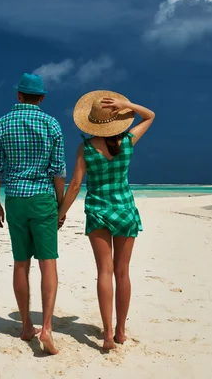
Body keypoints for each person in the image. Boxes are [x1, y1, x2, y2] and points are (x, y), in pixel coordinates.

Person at [57, 90, 155, 350]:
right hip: (125, 210)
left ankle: (108, 334)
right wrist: (127, 104)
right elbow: (150, 116)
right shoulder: (128, 141)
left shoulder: (87, 148)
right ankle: (122, 331)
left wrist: (61, 213)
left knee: (104, 271)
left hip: (99, 211)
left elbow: (76, 185)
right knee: (122, 273)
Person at [0, 73, 66, 355]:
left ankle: (25, 326)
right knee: (48, 262)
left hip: (16, 199)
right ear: (42, 98)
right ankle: (46, 327)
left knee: (21, 262)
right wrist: (61, 203)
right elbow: (58, 170)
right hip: (43, 197)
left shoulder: (2, 123)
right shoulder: (51, 124)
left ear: (19, 95)